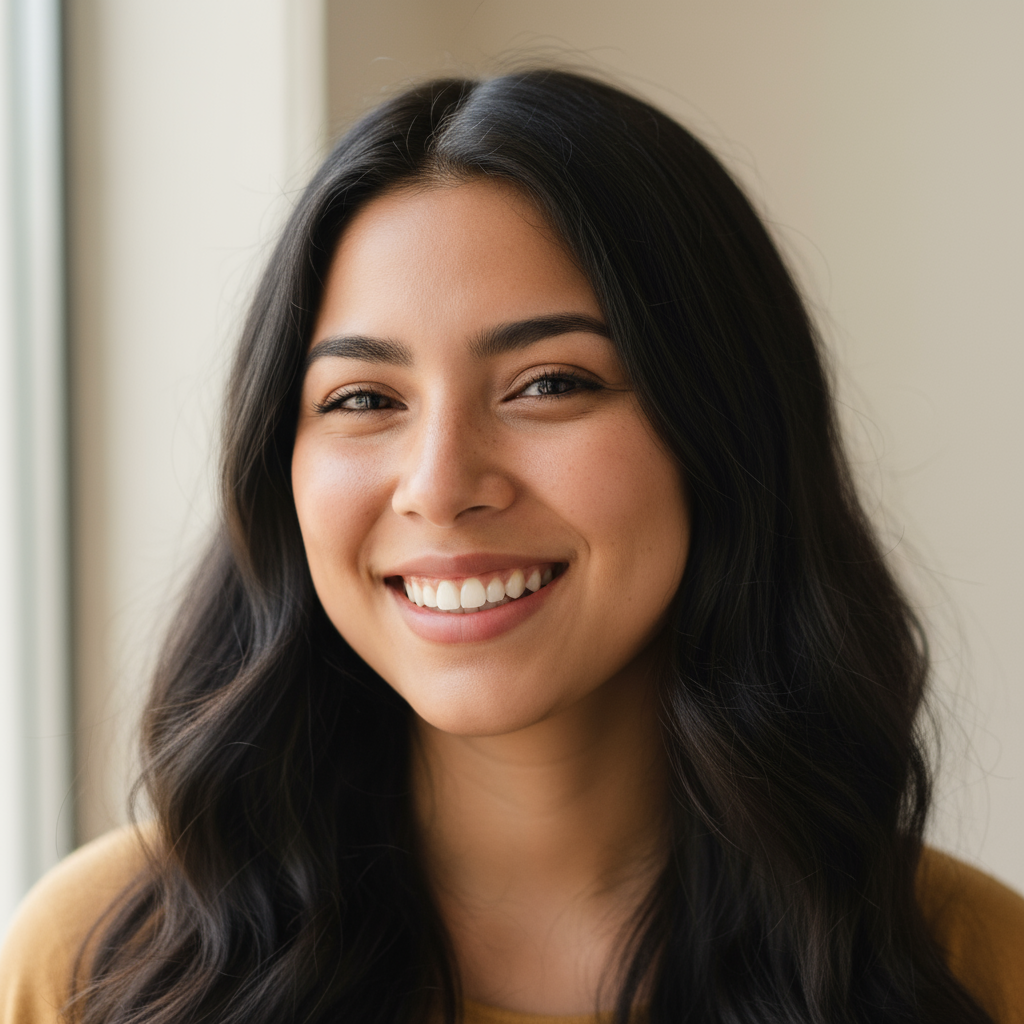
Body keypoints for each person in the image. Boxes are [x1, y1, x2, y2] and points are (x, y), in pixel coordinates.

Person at [1, 69, 1022, 1024]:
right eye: (363, 398)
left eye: (549, 383)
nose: (441, 487)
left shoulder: (971, 967)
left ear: (723, 429)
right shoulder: (104, 963)